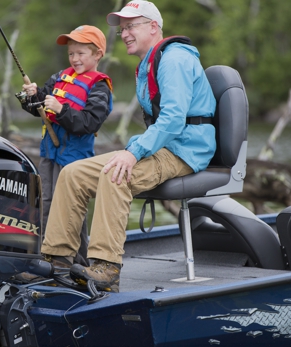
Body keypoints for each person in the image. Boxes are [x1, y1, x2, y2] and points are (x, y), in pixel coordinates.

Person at [39, 0, 217, 293]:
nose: (124, 34)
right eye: (122, 29)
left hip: (184, 150)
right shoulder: (148, 63)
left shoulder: (174, 59)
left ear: (153, 27)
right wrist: (136, 148)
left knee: (116, 174)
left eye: (131, 26)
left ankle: (106, 269)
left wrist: (133, 152)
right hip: (163, 146)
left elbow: (172, 122)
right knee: (73, 173)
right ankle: (56, 263)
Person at [20, 25, 113, 268]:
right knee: (46, 204)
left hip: (75, 158)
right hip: (49, 153)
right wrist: (32, 96)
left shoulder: (99, 87)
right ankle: (47, 256)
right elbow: (38, 106)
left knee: (72, 209)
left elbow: (89, 123)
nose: (75, 58)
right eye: (71, 53)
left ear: (97, 55)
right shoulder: (60, 78)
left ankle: (78, 261)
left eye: (81, 53)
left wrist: (61, 110)